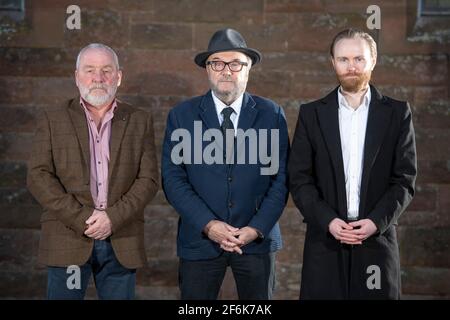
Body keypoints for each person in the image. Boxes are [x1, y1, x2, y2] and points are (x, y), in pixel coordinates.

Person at [288, 28, 417, 299]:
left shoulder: (397, 113)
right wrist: (329, 221)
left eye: (359, 59)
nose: (351, 67)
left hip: (377, 241)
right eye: (343, 59)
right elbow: (299, 179)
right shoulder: (312, 114)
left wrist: (375, 222)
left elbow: (404, 179)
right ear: (333, 62)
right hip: (325, 241)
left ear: (373, 60)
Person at [161, 28, 289, 300]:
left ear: (248, 68)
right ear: (207, 69)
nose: (226, 71)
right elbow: (173, 179)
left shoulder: (271, 114)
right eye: (217, 63)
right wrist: (209, 225)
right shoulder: (182, 116)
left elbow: (281, 179)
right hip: (200, 239)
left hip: (256, 242)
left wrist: (255, 228)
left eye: (235, 63)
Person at [27, 43, 159, 299]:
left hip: (121, 238)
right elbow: (38, 176)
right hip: (67, 237)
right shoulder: (53, 119)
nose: (98, 78)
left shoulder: (139, 120)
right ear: (77, 77)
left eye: (106, 70)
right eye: (89, 70)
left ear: (118, 77)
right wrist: (83, 218)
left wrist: (112, 217)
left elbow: (149, 179)